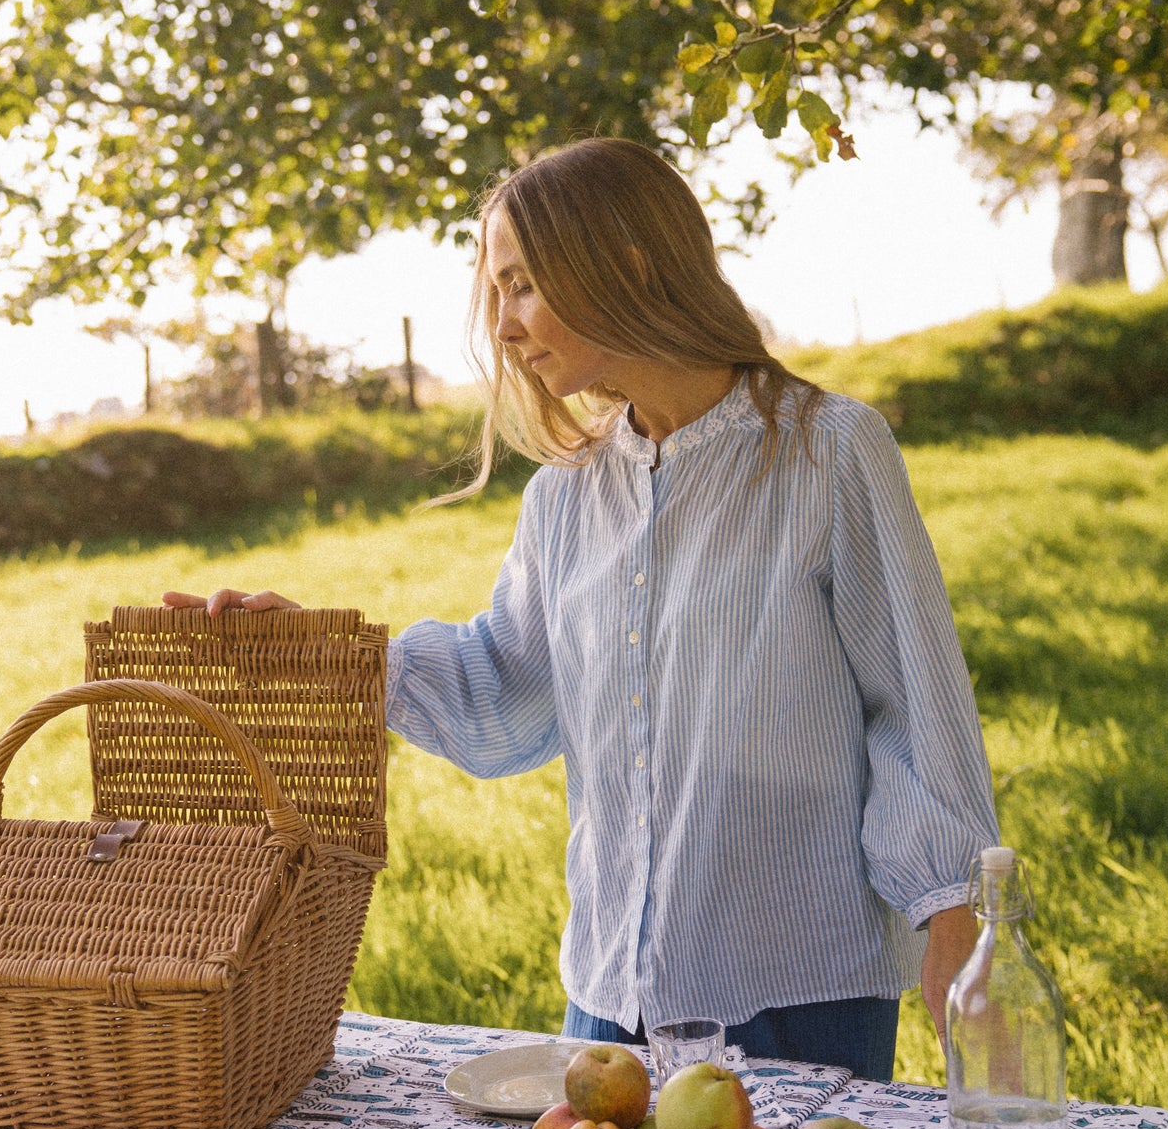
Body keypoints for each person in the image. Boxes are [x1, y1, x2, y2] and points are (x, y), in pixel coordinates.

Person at [166, 138, 998, 1081]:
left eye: (522, 285)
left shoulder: (827, 452)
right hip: (609, 997)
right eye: (497, 292)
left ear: (628, 266)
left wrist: (951, 918)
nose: (506, 326)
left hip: (795, 990)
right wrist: (329, 655)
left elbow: (916, 705)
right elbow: (512, 692)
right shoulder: (564, 495)